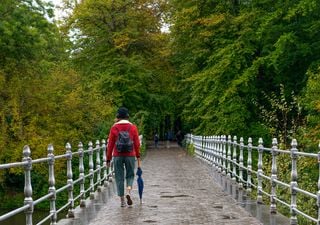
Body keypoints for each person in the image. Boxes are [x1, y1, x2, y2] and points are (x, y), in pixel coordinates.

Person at [106, 107, 141, 207]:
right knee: (130, 175)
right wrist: (138, 156)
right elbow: (137, 144)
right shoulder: (133, 127)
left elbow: (110, 145)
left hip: (118, 155)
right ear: (127, 116)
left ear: (118, 117)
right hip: (130, 155)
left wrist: (108, 159)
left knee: (119, 177)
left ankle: (122, 201)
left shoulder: (114, 128)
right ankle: (128, 192)